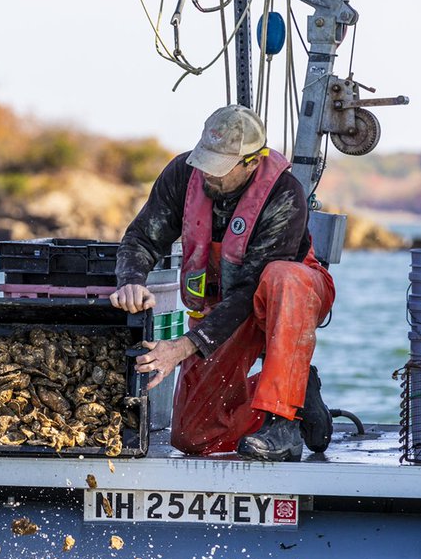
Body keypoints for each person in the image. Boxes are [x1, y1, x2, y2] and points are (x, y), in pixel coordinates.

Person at [109, 105, 334, 462]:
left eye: (219, 168)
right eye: (205, 162)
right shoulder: (183, 176)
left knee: (281, 279)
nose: (207, 175)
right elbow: (141, 237)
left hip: (283, 297)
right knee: (193, 436)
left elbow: (249, 292)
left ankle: (282, 419)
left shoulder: (284, 195)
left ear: (251, 163)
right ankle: (299, 391)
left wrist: (182, 347)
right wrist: (131, 281)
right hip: (222, 310)